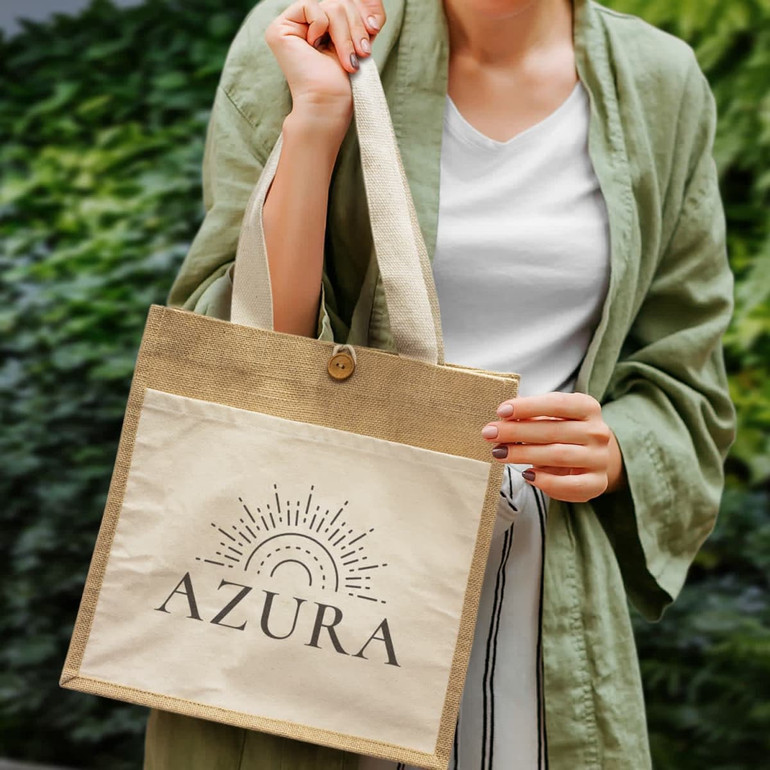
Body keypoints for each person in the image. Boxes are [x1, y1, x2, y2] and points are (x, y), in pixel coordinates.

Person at [143, 0, 736, 767]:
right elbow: (241, 357)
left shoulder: (661, 81)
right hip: (314, 582)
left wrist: (618, 446)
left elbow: (685, 373)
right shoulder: (311, 31)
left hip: (535, 591)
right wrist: (319, 115)